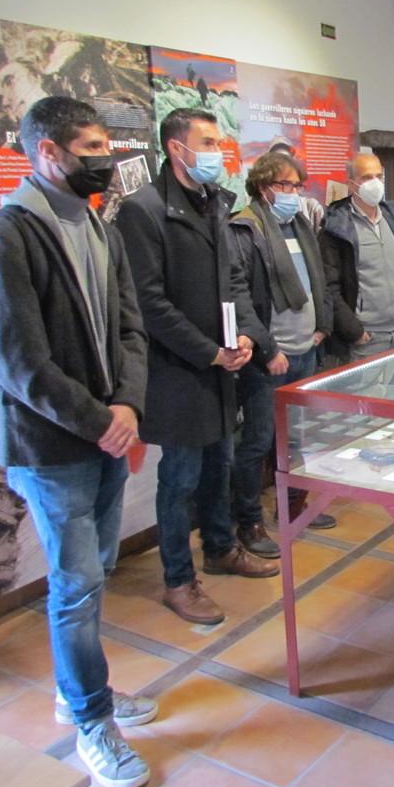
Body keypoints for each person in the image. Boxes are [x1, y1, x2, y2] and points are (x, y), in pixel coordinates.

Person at [0, 97, 154, 787]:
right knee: (75, 586)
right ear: (49, 153)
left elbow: (130, 325)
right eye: (94, 145)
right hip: (53, 447)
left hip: (108, 432)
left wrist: (126, 403)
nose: (106, 158)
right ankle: (92, 717)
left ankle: (79, 691)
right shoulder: (3, 239)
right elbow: (20, 364)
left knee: (96, 568)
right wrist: (102, 420)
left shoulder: (98, 225)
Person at [115, 108, 278, 629]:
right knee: (180, 478)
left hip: (220, 368)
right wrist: (207, 350)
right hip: (177, 372)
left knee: (220, 465)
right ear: (175, 147)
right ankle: (178, 580)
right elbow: (148, 301)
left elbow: (233, 281)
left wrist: (247, 336)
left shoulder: (214, 203)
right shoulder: (142, 211)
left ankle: (221, 547)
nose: (217, 151)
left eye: (219, 141)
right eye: (206, 141)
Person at [229, 150, 336, 552]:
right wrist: (268, 348)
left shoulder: (301, 225)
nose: (292, 192)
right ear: (262, 186)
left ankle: (293, 508)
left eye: (296, 185)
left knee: (296, 437)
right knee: (256, 442)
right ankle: (249, 523)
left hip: (306, 347)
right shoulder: (245, 228)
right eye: (283, 185)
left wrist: (322, 326)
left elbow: (318, 280)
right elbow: (240, 297)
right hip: (269, 357)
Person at [320, 152, 394, 362]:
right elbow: (330, 287)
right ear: (351, 183)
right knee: (366, 395)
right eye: (366, 177)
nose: (374, 183)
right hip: (367, 337)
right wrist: (354, 332)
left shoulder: (391, 218)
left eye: (378, 176)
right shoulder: (336, 227)